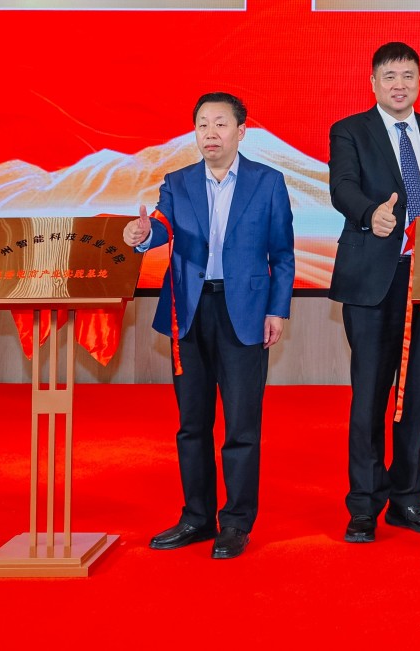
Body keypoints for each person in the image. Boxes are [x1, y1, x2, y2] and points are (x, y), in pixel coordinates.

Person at [124, 92, 294, 560]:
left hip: (245, 313)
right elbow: (160, 227)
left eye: (220, 123)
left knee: (241, 425)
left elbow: (282, 254)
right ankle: (196, 517)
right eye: (202, 124)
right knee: (192, 424)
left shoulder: (268, 182)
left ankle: (236, 521)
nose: (210, 133)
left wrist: (277, 310)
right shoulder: (177, 182)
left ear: (241, 131)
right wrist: (142, 235)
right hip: (190, 312)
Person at [328, 42, 420, 543]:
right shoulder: (350, 131)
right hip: (373, 278)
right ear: (373, 83)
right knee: (370, 393)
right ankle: (364, 504)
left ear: (419, 81)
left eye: (408, 75)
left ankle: (408, 498)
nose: (399, 84)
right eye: (389, 76)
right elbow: (342, 187)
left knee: (419, 394)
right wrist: (371, 214)